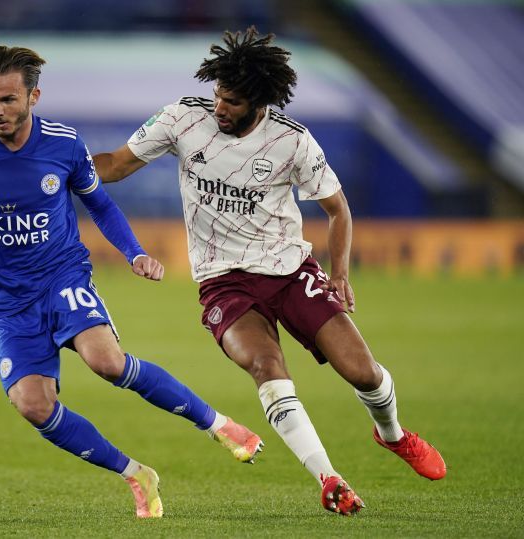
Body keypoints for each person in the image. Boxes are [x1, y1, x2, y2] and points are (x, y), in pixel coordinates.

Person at [92, 27, 446, 516]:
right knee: (266, 368)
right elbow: (115, 165)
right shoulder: (182, 119)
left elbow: (338, 209)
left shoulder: (291, 141)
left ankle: (393, 435)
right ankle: (330, 479)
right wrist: (56, 166)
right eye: (218, 95)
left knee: (364, 374)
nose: (219, 107)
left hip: (288, 270)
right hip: (223, 282)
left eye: (232, 101)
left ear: (259, 102)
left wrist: (339, 273)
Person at [0, 45, 264, 519]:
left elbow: (101, 205)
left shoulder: (64, 144)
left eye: (8, 100)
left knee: (107, 362)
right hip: (7, 302)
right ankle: (136, 473)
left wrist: (133, 252)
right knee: (34, 406)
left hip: (61, 277)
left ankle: (219, 425)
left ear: (34, 96)